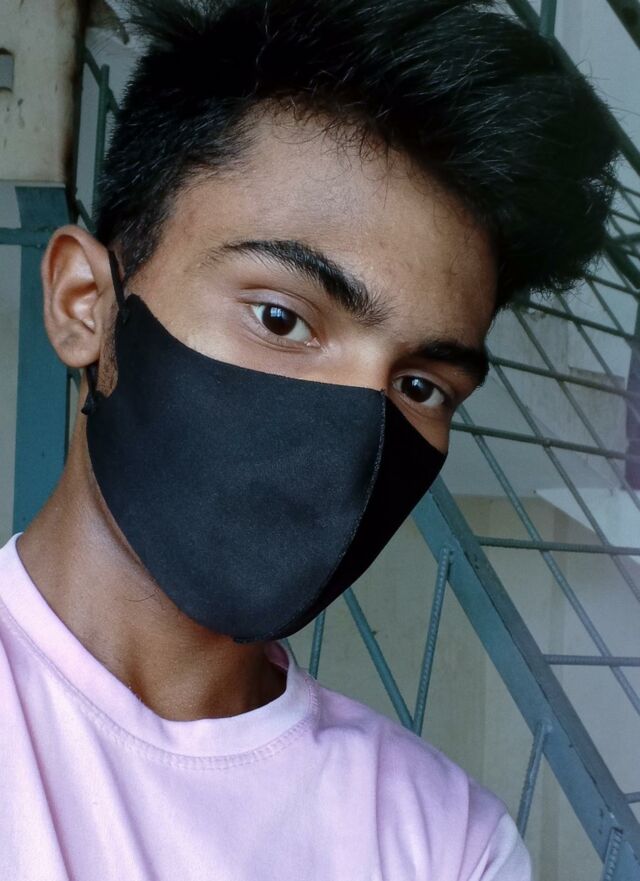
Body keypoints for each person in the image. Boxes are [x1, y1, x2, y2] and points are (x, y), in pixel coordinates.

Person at [0, 0, 618, 878]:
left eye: (420, 386)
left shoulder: (445, 841)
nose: (352, 436)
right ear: (85, 306)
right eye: (282, 318)